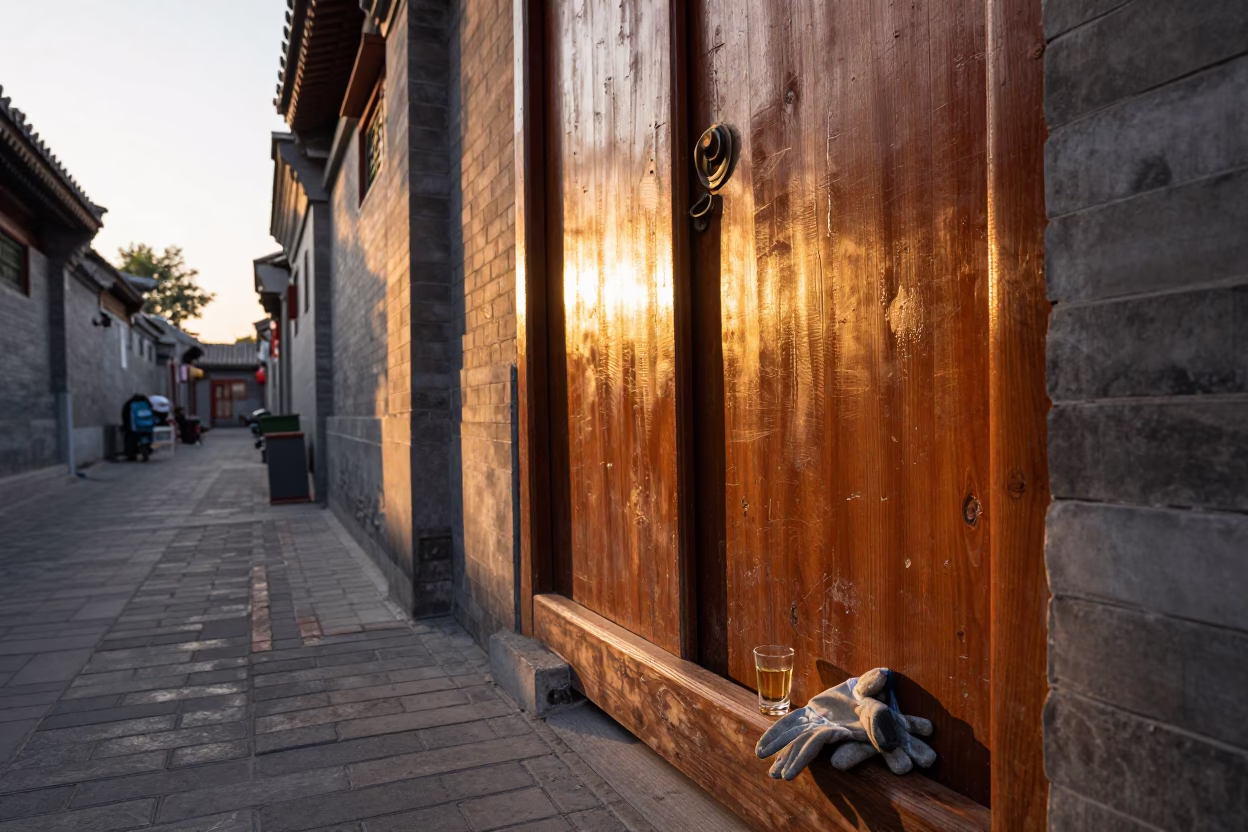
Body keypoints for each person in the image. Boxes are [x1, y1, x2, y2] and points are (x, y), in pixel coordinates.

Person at [121, 393, 155, 461]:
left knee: (130, 439)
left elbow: (125, 415)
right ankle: (149, 449)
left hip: (135, 428)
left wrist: (126, 425)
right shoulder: (147, 403)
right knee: (149, 437)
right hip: (148, 426)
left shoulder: (130, 403)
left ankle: (131, 455)